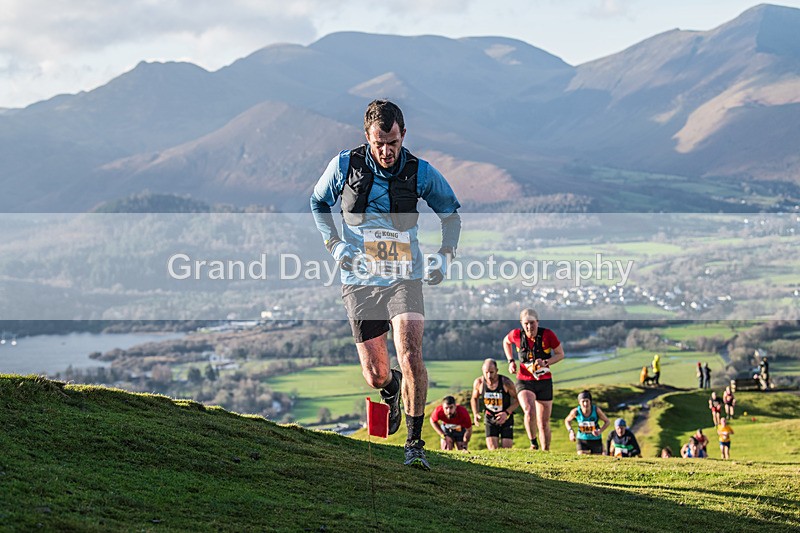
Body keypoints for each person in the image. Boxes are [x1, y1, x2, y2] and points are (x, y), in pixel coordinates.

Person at [310, 100, 461, 470]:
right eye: (379, 143)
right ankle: (391, 389)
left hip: (404, 277)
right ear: (367, 137)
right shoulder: (344, 166)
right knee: (375, 373)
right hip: (358, 281)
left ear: (403, 135)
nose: (386, 151)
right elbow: (317, 203)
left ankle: (414, 444)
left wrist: (445, 255)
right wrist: (335, 245)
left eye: (392, 142)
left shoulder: (419, 172)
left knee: (410, 352)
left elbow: (451, 215)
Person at [503, 308, 565, 450]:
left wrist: (546, 362)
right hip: (525, 379)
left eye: (532, 323)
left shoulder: (548, 335)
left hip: (544, 380)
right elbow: (506, 342)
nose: (529, 327)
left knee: (543, 423)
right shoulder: (516, 335)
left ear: (537, 322)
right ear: (521, 324)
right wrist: (510, 361)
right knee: (529, 410)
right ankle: (533, 443)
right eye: (526, 324)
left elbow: (560, 354)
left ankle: (545, 450)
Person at [470, 358, 519, 450]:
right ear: (482, 371)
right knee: (492, 449)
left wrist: (507, 412)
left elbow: (518, 399)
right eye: (486, 372)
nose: (489, 376)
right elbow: (474, 398)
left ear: (497, 371)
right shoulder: (479, 383)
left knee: (507, 449)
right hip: (489, 417)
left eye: (491, 372)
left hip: (506, 417)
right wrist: (475, 413)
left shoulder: (506, 382)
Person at [564, 390, 610, 455]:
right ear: (579, 402)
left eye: (587, 401)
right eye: (583, 401)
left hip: (595, 439)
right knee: (582, 457)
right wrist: (571, 431)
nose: (585, 404)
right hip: (582, 439)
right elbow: (567, 420)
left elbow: (607, 421)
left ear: (590, 401)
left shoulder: (596, 410)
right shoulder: (576, 411)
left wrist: (600, 431)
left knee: (596, 461)